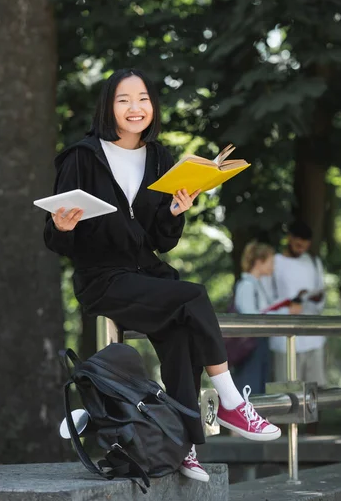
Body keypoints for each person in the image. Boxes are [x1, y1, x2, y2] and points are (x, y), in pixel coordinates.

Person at [43, 68, 281, 483]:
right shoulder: (82, 156)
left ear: (153, 106)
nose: (135, 108)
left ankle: (183, 446)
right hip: (103, 279)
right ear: (108, 107)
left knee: (182, 335)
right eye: (124, 100)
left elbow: (159, 240)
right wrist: (62, 227)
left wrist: (174, 212)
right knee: (192, 296)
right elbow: (57, 239)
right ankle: (229, 401)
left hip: (147, 273)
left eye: (144, 99)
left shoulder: (159, 158)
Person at [233, 241, 303, 394]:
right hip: (251, 345)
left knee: (260, 385)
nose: (273, 266)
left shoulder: (257, 285)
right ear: (259, 262)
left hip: (260, 342)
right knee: (251, 387)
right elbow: (251, 317)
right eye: (271, 262)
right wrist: (285, 312)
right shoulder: (246, 285)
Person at [265, 220, 326, 386]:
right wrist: (289, 305)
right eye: (298, 245)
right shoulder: (275, 262)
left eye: (305, 246)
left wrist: (316, 298)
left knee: (315, 391)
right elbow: (267, 299)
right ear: (290, 239)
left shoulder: (314, 262)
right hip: (284, 337)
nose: (301, 249)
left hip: (313, 335)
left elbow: (321, 292)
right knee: (287, 390)